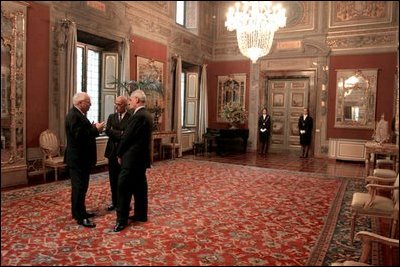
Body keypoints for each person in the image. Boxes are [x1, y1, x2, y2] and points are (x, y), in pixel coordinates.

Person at [113, 89, 153, 232]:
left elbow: (127, 137)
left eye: (130, 99)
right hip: (141, 158)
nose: (129, 102)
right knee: (140, 187)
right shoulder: (147, 115)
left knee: (123, 188)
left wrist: (119, 153)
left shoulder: (137, 116)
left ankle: (121, 221)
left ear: (136, 100)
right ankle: (141, 214)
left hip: (131, 159)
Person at [65, 92, 105, 228]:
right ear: (80, 103)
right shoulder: (74, 116)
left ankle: (79, 212)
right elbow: (79, 137)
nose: (90, 104)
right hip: (78, 159)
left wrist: (91, 127)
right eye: (88, 102)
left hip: (81, 159)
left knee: (81, 187)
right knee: (79, 187)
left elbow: (82, 132)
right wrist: (96, 130)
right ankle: (80, 217)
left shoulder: (78, 115)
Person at [104, 96, 131, 211]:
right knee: (113, 179)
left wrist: (115, 132)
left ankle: (124, 203)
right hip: (112, 152)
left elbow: (128, 134)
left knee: (124, 180)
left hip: (124, 152)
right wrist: (120, 133)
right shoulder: (111, 116)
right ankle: (114, 202)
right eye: (116, 104)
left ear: (125, 105)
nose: (117, 106)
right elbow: (107, 131)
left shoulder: (131, 118)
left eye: (119, 104)